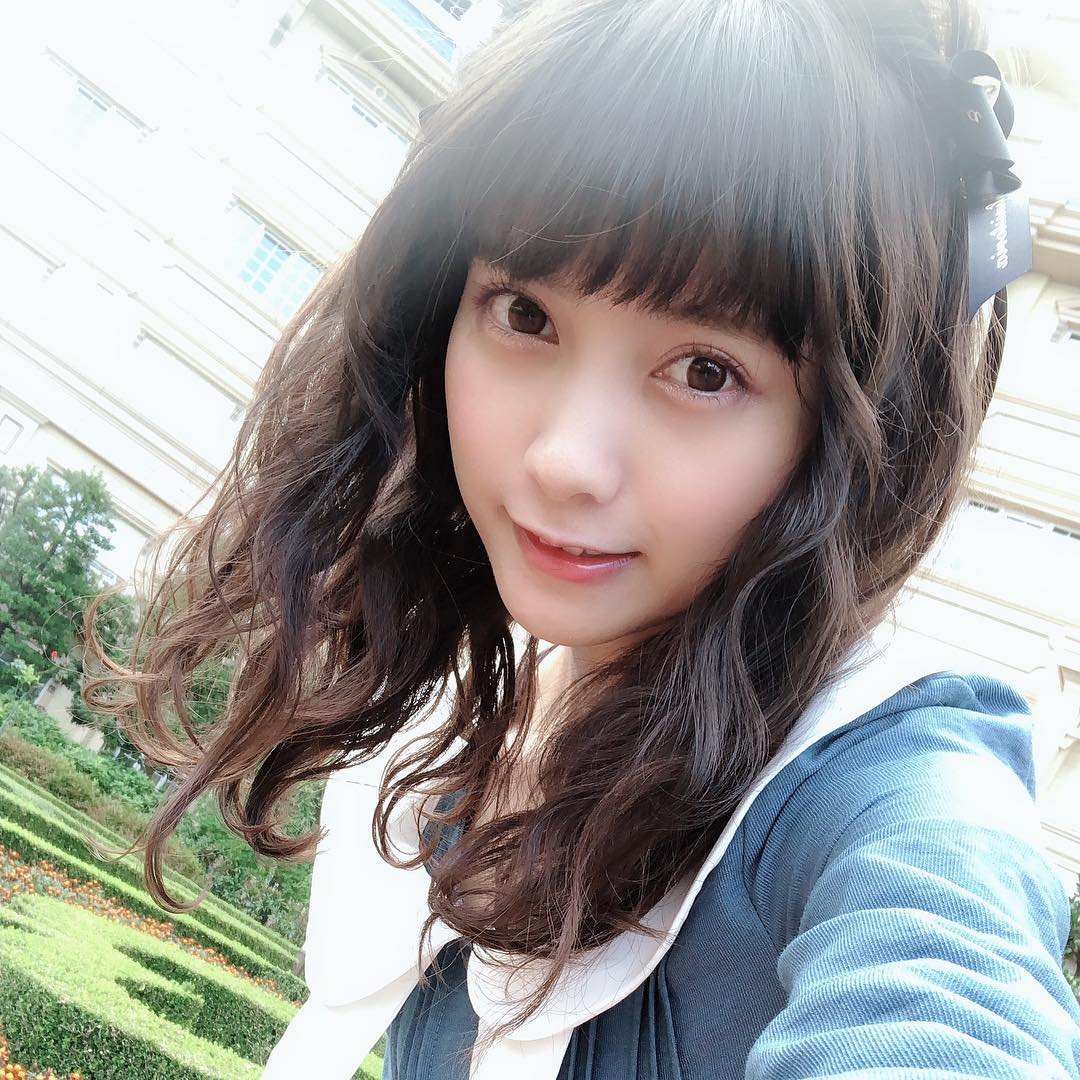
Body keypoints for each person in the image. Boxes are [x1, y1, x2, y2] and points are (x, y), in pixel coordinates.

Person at [82, 0, 1080, 1077]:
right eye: (524, 314)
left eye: (705, 371)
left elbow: (949, 1000)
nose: (565, 458)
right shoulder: (501, 710)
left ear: (851, 437)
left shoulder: (881, 784)